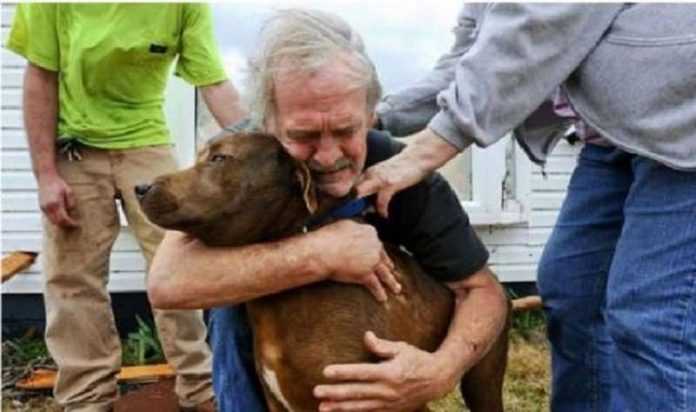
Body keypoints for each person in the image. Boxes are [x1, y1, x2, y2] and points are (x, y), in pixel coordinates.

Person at [146, 9, 509, 412]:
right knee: (229, 303)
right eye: (303, 135)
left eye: (345, 130)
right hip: (271, 328)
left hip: (373, 323)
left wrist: (439, 371)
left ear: (370, 116)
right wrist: (323, 254)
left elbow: (484, 291)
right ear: (268, 123)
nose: (328, 155)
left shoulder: (402, 170)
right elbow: (168, 283)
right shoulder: (242, 155)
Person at [359, 4, 696, 412]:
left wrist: (424, 152)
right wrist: (371, 118)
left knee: (650, 313)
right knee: (573, 290)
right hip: (616, 140)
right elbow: (471, 63)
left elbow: (539, 25)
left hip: (683, 124)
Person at [6, 4, 246, 412]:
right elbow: (39, 78)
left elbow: (213, 82)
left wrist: (259, 146)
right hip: (75, 145)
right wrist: (46, 175)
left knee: (181, 262)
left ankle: (202, 387)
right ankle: (87, 398)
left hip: (146, 140)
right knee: (73, 278)